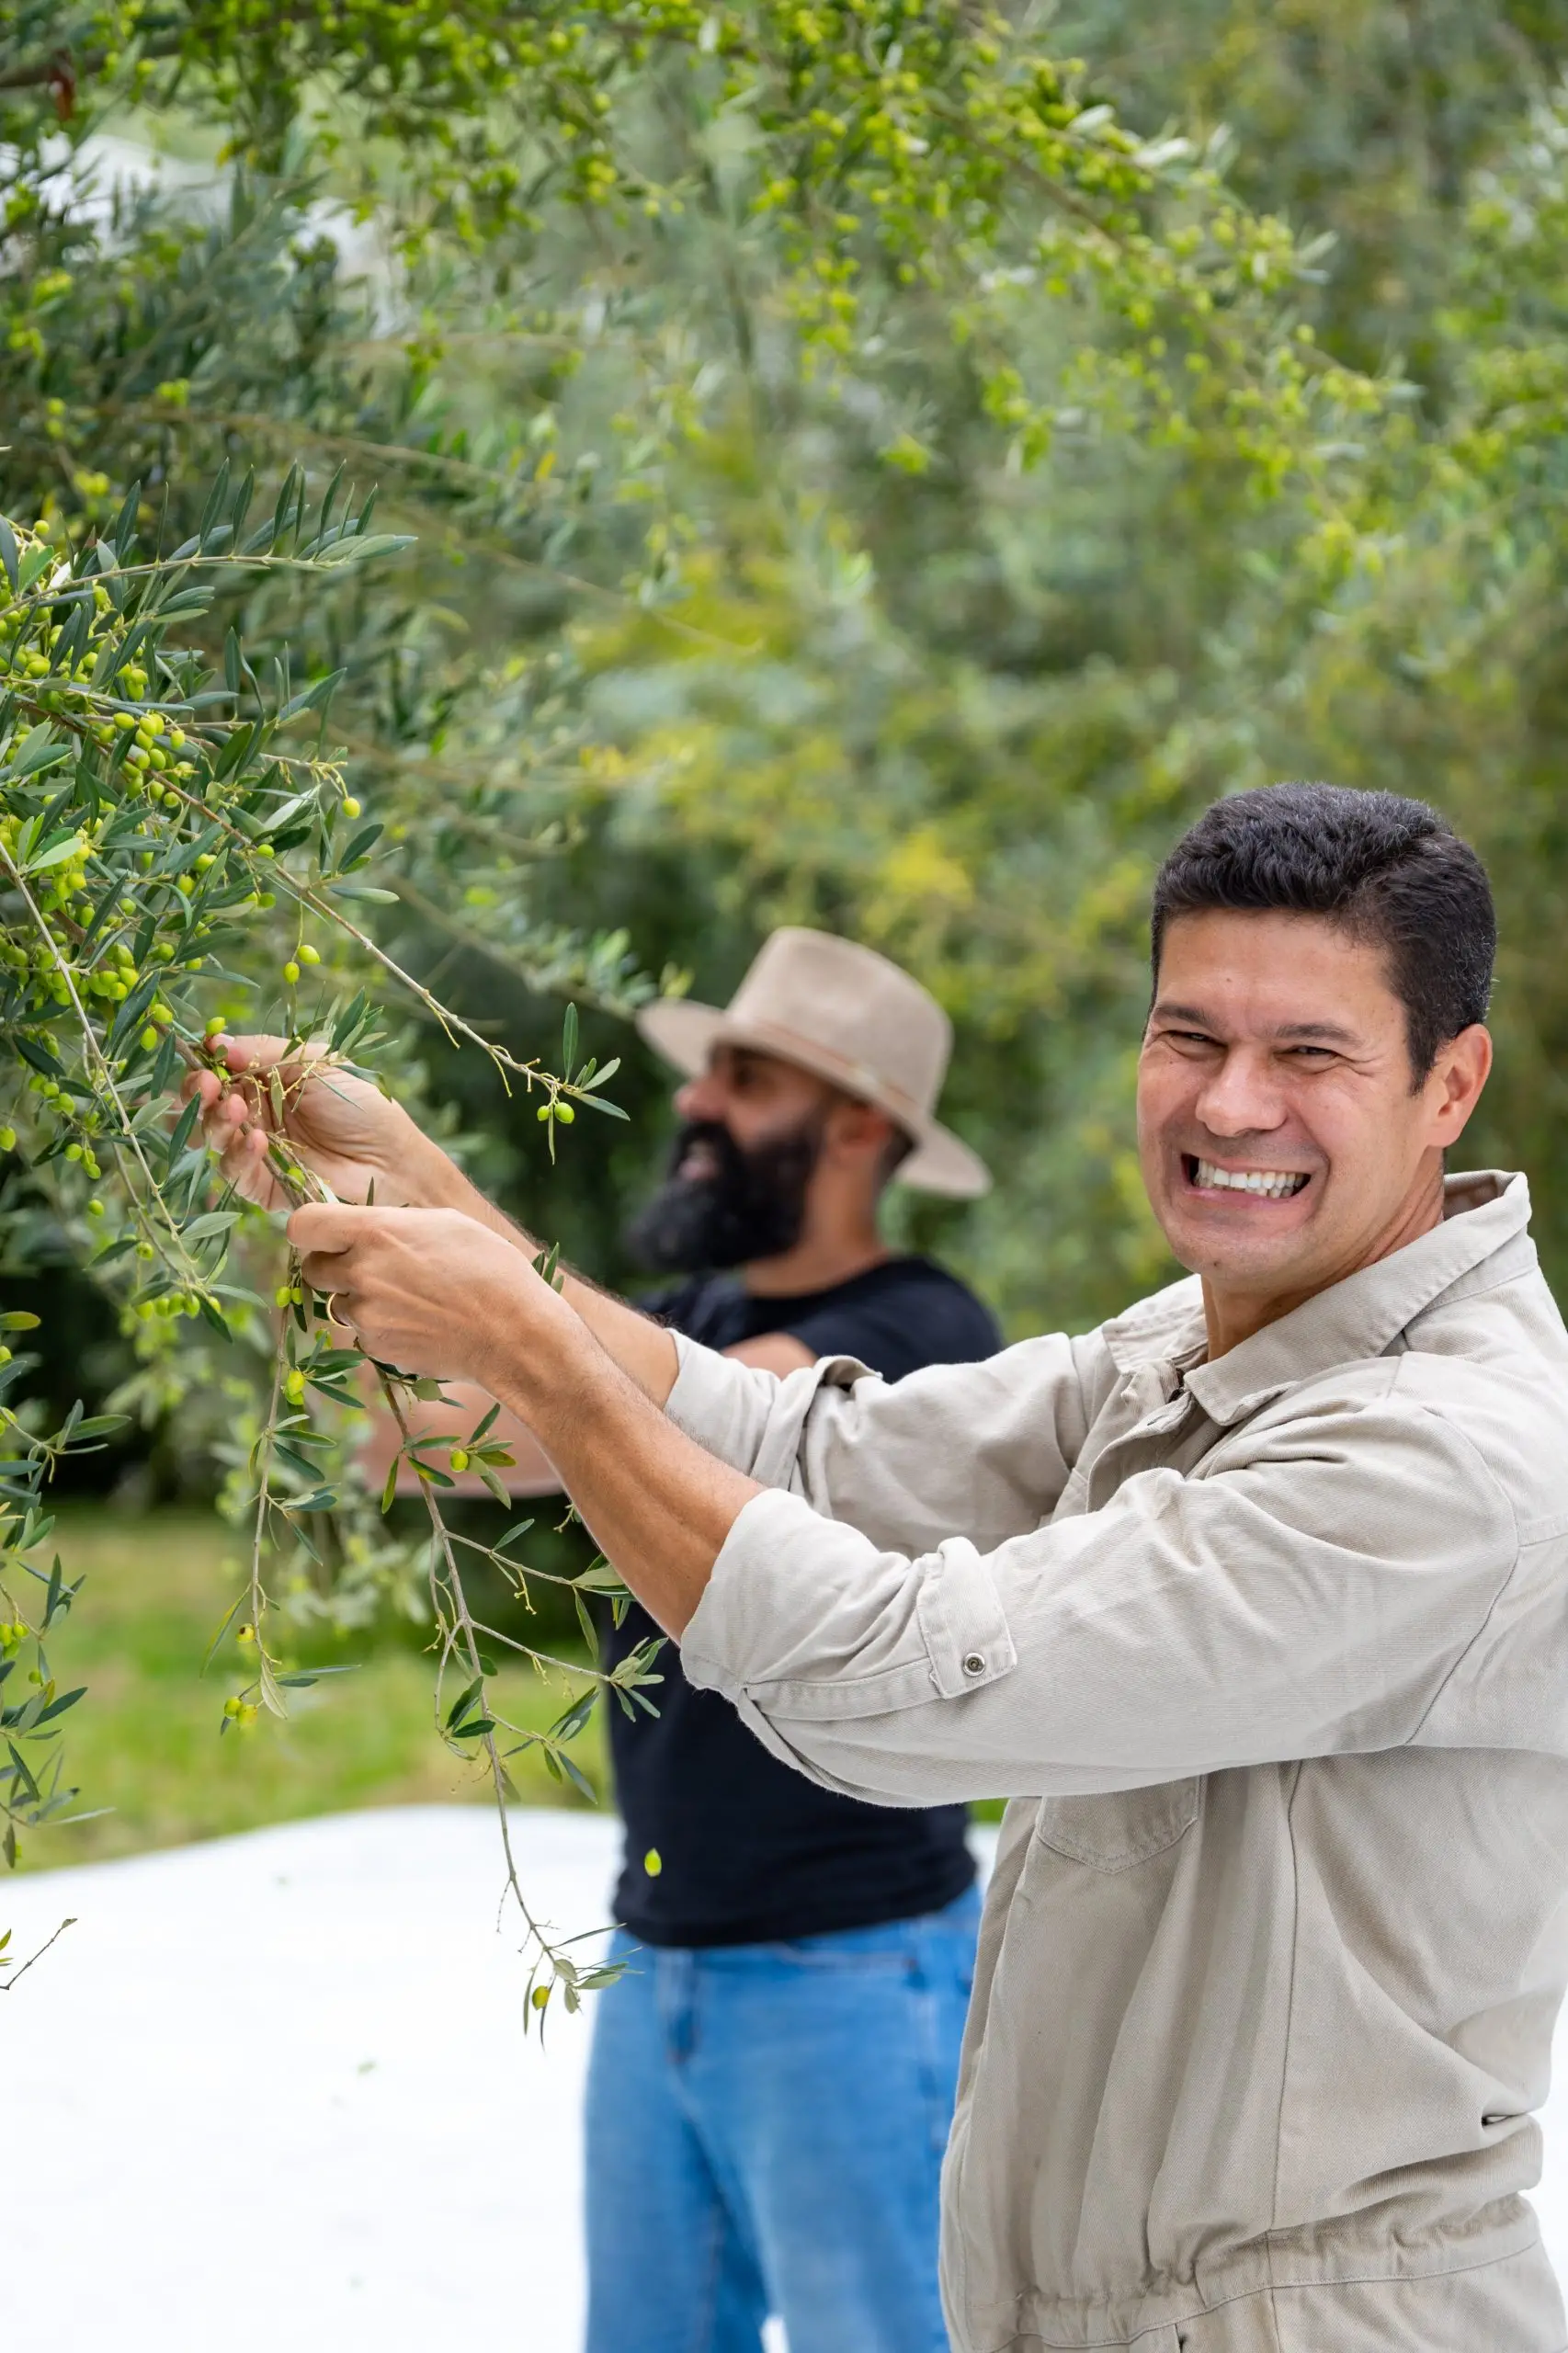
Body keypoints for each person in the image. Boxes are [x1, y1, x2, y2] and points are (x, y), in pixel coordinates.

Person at [194, 782, 1568, 2353]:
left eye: (1307, 1054)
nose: (1227, 1104)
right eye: (1188, 1037)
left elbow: (897, 1687)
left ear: (1449, 1084)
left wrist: (529, 1353)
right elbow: (797, 1451)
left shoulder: (1442, 1461)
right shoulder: (1187, 1348)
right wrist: (428, 1190)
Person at [266, 928, 1001, 2353]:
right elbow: (405, 1445)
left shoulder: (915, 1332)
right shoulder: (685, 1321)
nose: (693, 1104)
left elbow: (647, 1408)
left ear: (858, 1124)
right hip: (656, 1953)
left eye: (743, 1076)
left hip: (849, 1970)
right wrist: (335, 1215)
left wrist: (453, 1242)